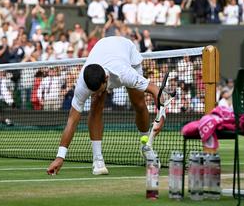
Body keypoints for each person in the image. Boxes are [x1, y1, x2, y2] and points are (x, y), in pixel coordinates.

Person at [47, 36, 166, 176]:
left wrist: (162, 115)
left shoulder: (125, 74)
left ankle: (146, 147)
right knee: (96, 104)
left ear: (106, 79)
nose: (95, 94)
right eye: (93, 91)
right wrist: (60, 157)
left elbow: (156, 90)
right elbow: (72, 121)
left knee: (138, 103)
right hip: (103, 47)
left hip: (126, 52)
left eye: (98, 90)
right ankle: (97, 159)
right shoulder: (82, 85)